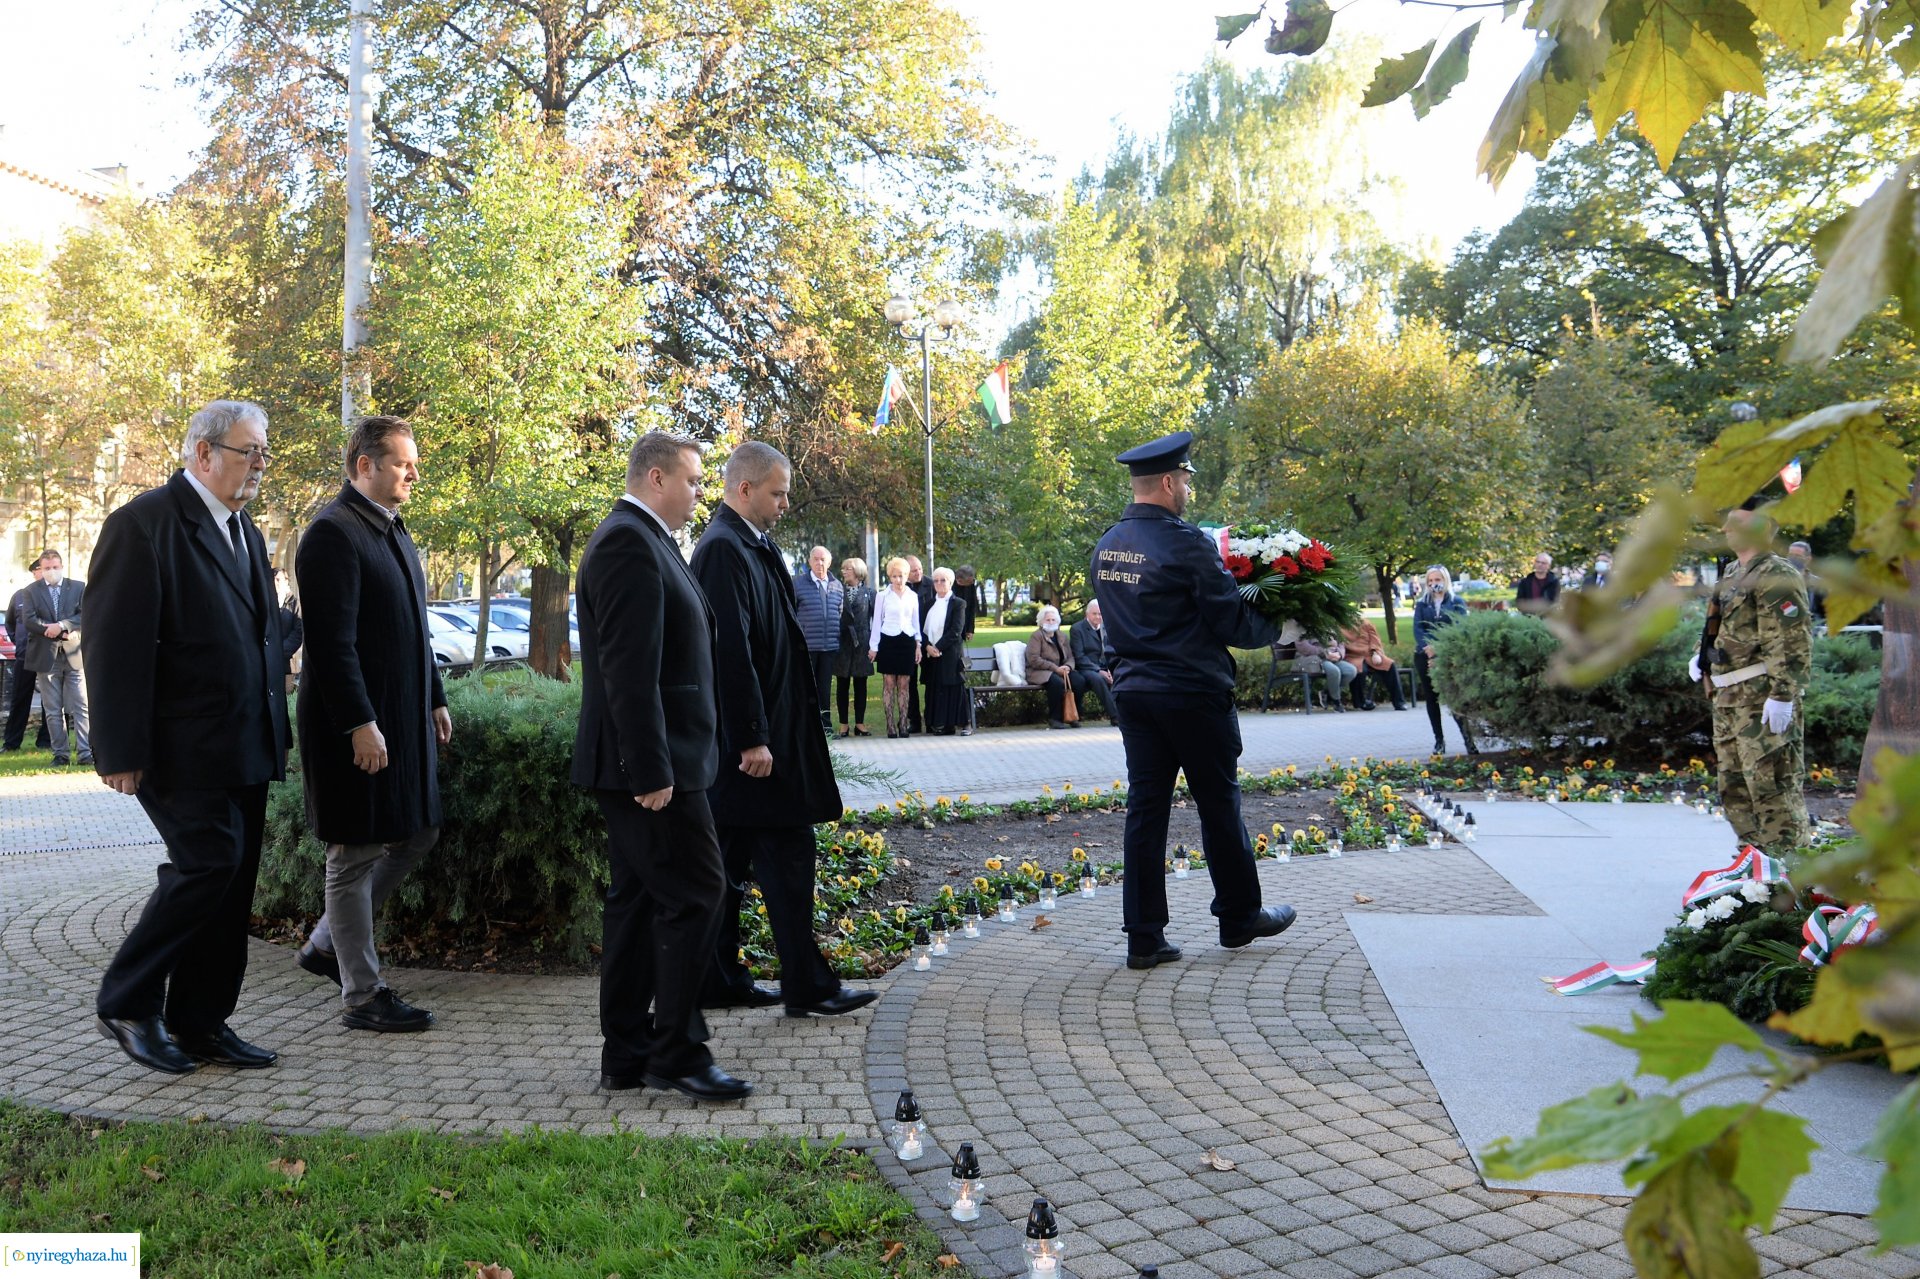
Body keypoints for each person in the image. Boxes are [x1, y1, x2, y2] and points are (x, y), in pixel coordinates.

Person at [86, 400, 292, 1075]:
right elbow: (113, 645)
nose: (260, 463)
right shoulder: (143, 525)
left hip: (245, 740)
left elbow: (251, 633)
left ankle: (201, 1020)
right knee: (208, 862)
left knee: (233, 886)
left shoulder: (246, 532)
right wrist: (119, 748)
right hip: (178, 746)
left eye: (264, 451)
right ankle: (127, 998)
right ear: (203, 454)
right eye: (249, 450)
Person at [572, 429, 748, 1102]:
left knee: (639, 900)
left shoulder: (645, 539)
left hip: (659, 763)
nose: (700, 494)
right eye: (695, 481)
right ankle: (675, 1050)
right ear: (655, 479)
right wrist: (649, 769)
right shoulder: (625, 542)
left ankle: (627, 1049)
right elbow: (627, 670)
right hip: (650, 770)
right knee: (699, 891)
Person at [1091, 429, 1297, 971]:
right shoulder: (1185, 542)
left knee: (1146, 810)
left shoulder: (1108, 543)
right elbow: (1232, 621)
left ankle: (1143, 936)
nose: (1187, 488)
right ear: (1165, 481)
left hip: (1135, 695)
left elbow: (1113, 624)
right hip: (1192, 694)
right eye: (1184, 479)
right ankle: (1238, 917)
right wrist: (1283, 608)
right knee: (1218, 804)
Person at [692, 441, 876, 1021]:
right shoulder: (724, 548)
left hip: (765, 741)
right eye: (778, 493)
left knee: (729, 871)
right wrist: (751, 736)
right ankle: (807, 986)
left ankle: (717, 978)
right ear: (744, 489)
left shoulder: (750, 543)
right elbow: (730, 650)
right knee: (790, 859)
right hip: (756, 751)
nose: (785, 504)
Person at [292, 416, 451, 1033]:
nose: (414, 473)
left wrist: (435, 695)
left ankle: (327, 943)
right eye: (403, 464)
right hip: (353, 724)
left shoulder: (394, 531)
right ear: (365, 466)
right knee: (353, 852)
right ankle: (362, 995)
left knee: (418, 832)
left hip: (402, 719)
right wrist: (359, 721)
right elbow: (330, 647)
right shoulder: (332, 534)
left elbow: (416, 627)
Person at [1693, 511, 1813, 853]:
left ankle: (1792, 874)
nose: (1726, 529)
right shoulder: (1732, 572)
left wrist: (1784, 694)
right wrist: (1701, 657)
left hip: (1761, 697)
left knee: (1772, 787)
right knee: (1734, 788)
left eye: (1737, 523)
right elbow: (1722, 627)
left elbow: (1791, 639)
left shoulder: (1778, 573)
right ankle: (1754, 868)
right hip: (1729, 697)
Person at [20, 549, 91, 765]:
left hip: (74, 654)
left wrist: (61, 626)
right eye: (47, 568)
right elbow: (29, 620)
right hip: (46, 656)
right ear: (41, 569)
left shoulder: (78, 587)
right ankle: (60, 754)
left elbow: (85, 613)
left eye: (55, 567)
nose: (51, 571)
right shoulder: (31, 591)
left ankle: (85, 753)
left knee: (82, 705)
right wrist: (50, 630)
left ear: (61, 567)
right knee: (52, 710)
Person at [1414, 565, 1480, 756]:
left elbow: (1458, 629)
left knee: (1455, 699)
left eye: (1438, 580)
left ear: (1445, 581)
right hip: (1425, 656)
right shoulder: (1422, 604)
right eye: (1431, 581)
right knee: (1432, 699)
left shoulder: (1457, 602)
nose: (1434, 584)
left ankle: (1469, 741)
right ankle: (1439, 741)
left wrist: (1440, 650)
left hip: (1449, 657)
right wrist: (1430, 651)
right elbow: (1419, 630)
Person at [868, 557, 922, 738]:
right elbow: (876, 623)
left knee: (904, 685)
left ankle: (903, 724)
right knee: (889, 684)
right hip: (888, 641)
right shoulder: (882, 596)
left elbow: (916, 623)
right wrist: (873, 646)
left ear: (907, 576)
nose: (899, 580)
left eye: (902, 576)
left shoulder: (913, 596)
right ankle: (890, 724)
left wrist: (918, 645)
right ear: (890, 576)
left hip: (907, 640)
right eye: (895, 576)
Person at [3, 556, 53, 753]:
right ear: (34, 573)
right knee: (19, 700)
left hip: (49, 655)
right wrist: (20, 643)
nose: (44, 572)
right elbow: (10, 625)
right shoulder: (20, 596)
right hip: (25, 656)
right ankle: (11, 743)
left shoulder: (55, 596)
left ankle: (46, 741)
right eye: (41, 569)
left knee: (50, 702)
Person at [792, 545, 843, 733]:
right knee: (806, 687)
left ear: (829, 563)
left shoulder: (837, 585)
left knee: (824, 688)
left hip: (829, 647)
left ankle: (825, 726)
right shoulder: (797, 584)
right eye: (816, 559)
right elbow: (792, 613)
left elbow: (839, 612)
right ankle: (807, 726)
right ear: (810, 561)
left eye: (823, 560)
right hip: (807, 647)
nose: (819, 563)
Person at [922, 567, 972, 735]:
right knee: (936, 689)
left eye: (943, 580)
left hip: (950, 654)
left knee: (954, 688)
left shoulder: (958, 603)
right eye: (936, 580)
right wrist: (928, 646)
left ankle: (965, 723)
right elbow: (921, 629)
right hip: (931, 655)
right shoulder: (929, 604)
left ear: (950, 582)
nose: (939, 583)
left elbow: (956, 630)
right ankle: (941, 724)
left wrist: (938, 647)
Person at [1026, 605, 1090, 729]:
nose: (1050, 622)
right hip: (1040, 671)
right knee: (1057, 683)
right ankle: (1055, 718)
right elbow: (1033, 659)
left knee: (1079, 681)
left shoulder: (1062, 636)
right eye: (1047, 620)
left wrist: (1068, 667)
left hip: (1062, 669)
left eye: (1053, 620)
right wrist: (1056, 669)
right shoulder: (1036, 636)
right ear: (1041, 622)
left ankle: (1073, 716)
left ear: (1057, 621)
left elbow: (1071, 656)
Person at [834, 557, 875, 737]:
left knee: (861, 684)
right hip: (842, 641)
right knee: (842, 683)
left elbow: (875, 621)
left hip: (862, 642)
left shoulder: (870, 593)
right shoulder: (837, 591)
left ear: (858, 571)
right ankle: (843, 724)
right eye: (843, 569)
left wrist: (874, 645)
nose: (844, 571)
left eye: (848, 568)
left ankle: (860, 723)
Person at [1068, 599, 1121, 729]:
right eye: (1094, 614)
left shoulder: (1107, 627)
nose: (1098, 617)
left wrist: (1110, 669)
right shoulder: (1077, 629)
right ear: (1087, 614)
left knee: (1121, 676)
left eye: (1100, 614)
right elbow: (1079, 656)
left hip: (1105, 666)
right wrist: (1099, 670)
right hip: (1086, 667)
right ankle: (1116, 717)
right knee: (1098, 679)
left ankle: (1128, 714)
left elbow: (1112, 651)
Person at [1339, 617, 1406, 711]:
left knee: (1390, 665)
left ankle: (1399, 702)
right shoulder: (1338, 626)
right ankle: (1360, 702)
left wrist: (1376, 652)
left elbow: (1375, 640)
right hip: (1353, 656)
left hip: (1370, 654)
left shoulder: (1365, 623)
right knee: (1360, 670)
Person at [903, 556, 936, 733]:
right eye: (914, 570)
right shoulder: (901, 588)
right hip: (909, 641)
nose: (919, 573)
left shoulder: (931, 585)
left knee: (930, 681)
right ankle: (914, 720)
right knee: (910, 683)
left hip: (928, 640)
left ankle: (931, 719)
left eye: (920, 569)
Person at [1294, 634, 1358, 711]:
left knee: (1351, 671)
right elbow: (1303, 647)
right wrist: (1324, 652)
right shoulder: (1303, 627)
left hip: (1333, 657)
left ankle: (1326, 692)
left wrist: (1339, 654)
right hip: (1315, 659)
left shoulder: (1330, 624)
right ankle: (1336, 701)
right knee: (1334, 671)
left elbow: (1341, 642)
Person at [1786, 540, 1826, 623]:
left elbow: (1826, 613)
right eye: (1790, 555)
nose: (1793, 559)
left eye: (1798, 556)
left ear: (1808, 559)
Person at [953, 566, 981, 641]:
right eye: (970, 581)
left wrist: (970, 630)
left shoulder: (971, 586)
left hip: (964, 626)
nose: (972, 582)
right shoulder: (949, 584)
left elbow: (972, 608)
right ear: (959, 580)